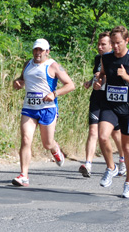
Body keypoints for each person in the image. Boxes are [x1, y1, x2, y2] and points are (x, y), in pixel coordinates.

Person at [12, 38, 75, 187]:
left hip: (47, 108)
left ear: (47, 51)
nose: (37, 53)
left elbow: (70, 85)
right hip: (29, 108)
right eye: (35, 49)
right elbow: (21, 80)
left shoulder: (53, 66)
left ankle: (55, 149)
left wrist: (54, 93)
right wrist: (17, 83)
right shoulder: (28, 64)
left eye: (41, 50)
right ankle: (24, 175)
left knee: (47, 143)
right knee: (26, 139)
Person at [79, 32, 125, 178]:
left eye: (103, 44)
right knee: (94, 132)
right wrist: (91, 82)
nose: (99, 47)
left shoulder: (119, 59)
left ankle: (122, 160)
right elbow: (99, 74)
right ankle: (88, 164)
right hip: (97, 98)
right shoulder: (99, 59)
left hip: (114, 102)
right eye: (98, 44)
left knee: (116, 134)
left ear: (111, 45)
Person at [93, 25, 129, 198]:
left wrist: (126, 77)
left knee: (127, 147)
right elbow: (102, 73)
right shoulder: (106, 58)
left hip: (127, 108)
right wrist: (99, 81)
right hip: (110, 105)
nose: (115, 46)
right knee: (102, 136)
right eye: (113, 43)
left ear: (126, 41)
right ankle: (111, 167)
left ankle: (128, 183)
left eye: (118, 43)